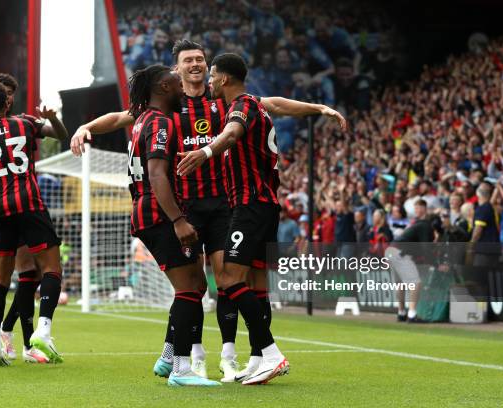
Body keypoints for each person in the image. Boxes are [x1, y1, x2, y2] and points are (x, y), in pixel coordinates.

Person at [70, 39, 346, 382]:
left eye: (201, 59)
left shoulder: (223, 102)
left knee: (224, 278)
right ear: (177, 68)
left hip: (223, 206)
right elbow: (121, 116)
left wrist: (317, 108)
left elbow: (273, 104)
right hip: (183, 206)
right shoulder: (168, 104)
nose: (197, 65)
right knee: (192, 285)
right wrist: (86, 127)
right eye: (189, 60)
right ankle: (191, 356)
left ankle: (229, 354)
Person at [177, 53, 299, 384]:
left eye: (213, 76)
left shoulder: (241, 105)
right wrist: (319, 109)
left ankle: (271, 352)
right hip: (265, 205)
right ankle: (259, 358)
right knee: (257, 287)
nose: (210, 81)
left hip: (249, 207)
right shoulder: (257, 105)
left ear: (225, 79)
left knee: (229, 280)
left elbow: (231, 134)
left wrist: (204, 153)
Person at [122, 64, 219, 387]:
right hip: (159, 214)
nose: (183, 88)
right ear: (163, 88)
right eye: (177, 83)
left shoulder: (142, 121)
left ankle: (167, 357)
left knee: (196, 285)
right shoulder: (161, 122)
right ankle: (180, 369)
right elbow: (157, 175)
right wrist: (178, 220)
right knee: (189, 289)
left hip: (148, 211)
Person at [0, 81, 64, 366]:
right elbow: (60, 135)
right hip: (29, 204)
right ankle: (43, 331)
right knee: (52, 269)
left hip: (0, 210)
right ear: (7, 103)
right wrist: (52, 117)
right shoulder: (26, 123)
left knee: (0, 280)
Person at [385, 199, 434, 323]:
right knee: (415, 283)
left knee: (400, 284)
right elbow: (426, 248)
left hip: (391, 250)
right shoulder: (425, 225)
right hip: (400, 253)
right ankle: (412, 314)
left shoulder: (414, 224)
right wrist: (435, 263)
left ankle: (401, 313)